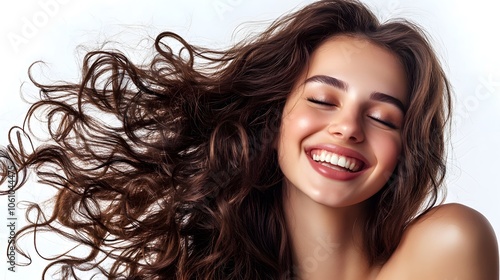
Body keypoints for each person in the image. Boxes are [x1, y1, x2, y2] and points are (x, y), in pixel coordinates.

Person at [1, 0, 498, 279]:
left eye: (384, 118)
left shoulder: (448, 245)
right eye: (323, 100)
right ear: (274, 117)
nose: (348, 127)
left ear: (404, 149)